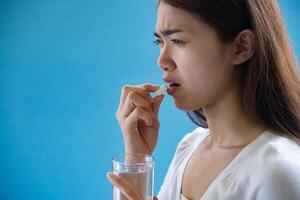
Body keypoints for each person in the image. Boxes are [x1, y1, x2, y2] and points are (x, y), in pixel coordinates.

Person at [107, 0, 300, 199]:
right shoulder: (189, 146)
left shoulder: (278, 173)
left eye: (177, 41)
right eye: (160, 42)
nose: (162, 61)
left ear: (242, 47)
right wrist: (138, 159)